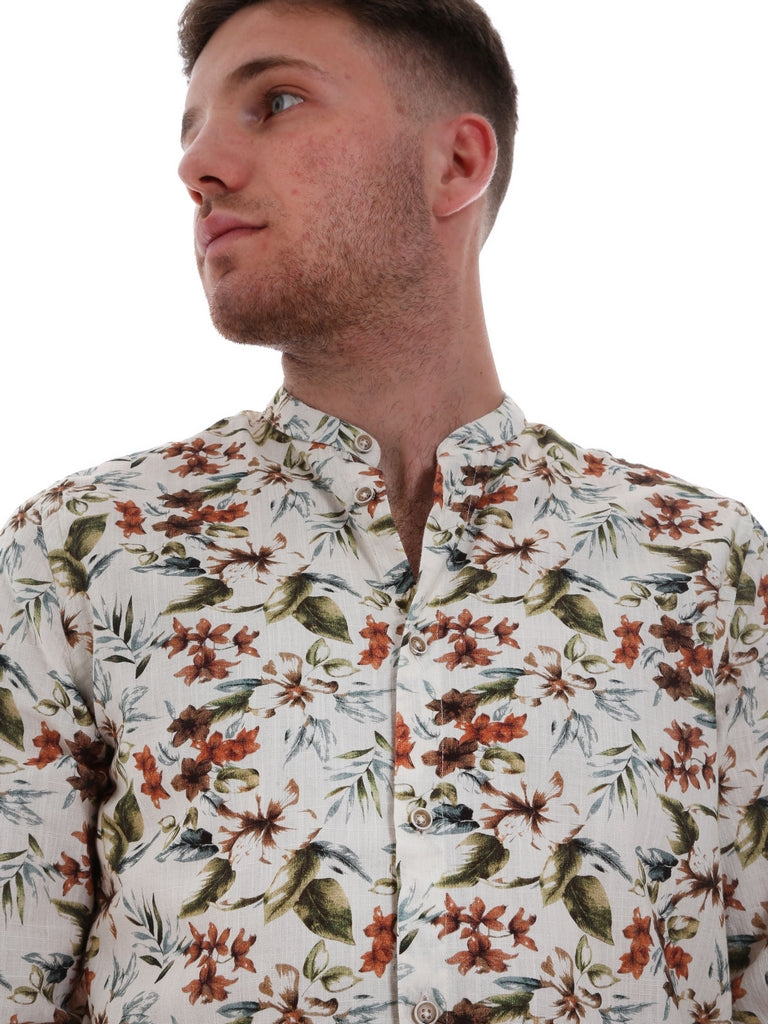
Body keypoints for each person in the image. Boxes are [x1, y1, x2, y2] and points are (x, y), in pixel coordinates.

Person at [0, 1, 765, 1021]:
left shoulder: (706, 570)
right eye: (190, 131)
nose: (199, 166)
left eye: (276, 101)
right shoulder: (81, 554)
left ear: (457, 163)